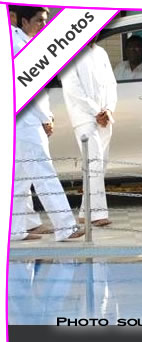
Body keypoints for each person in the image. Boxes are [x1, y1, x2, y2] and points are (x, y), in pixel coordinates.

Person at [11, 6, 84, 242]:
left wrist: (47, 115)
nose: (44, 26)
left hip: (29, 119)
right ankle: (65, 226)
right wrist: (45, 118)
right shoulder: (16, 44)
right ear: (22, 21)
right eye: (39, 21)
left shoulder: (25, 42)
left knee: (20, 179)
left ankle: (15, 229)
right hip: (26, 122)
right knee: (44, 173)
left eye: (46, 21)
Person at [60, 36, 117, 227]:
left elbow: (111, 84)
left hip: (104, 117)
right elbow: (72, 88)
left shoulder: (101, 52)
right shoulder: (70, 51)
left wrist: (108, 109)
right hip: (84, 117)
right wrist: (96, 111)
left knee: (100, 163)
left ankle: (85, 211)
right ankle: (98, 214)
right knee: (94, 160)